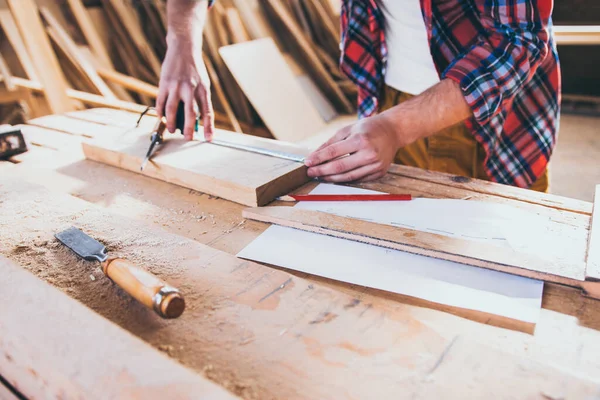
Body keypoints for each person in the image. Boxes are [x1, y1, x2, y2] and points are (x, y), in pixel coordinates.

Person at [157, 0, 559, 192]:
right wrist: (182, 39)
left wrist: (394, 127)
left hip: (484, 111)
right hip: (383, 92)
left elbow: (519, 42)